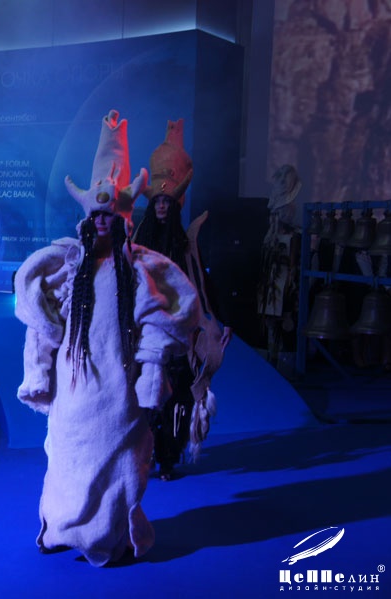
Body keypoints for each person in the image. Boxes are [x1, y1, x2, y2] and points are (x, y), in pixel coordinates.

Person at [14, 110, 201, 566]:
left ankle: (109, 536)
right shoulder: (68, 266)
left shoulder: (139, 269)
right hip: (73, 389)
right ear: (87, 218)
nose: (102, 222)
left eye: (109, 216)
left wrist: (150, 378)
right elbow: (42, 325)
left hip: (118, 390)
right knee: (66, 458)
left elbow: (157, 324)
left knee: (119, 464)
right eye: (96, 215)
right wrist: (40, 373)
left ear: (122, 219)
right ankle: (61, 527)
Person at [132, 119, 232, 480]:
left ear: (174, 205)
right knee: (146, 395)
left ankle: (168, 457)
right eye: (157, 201)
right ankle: (145, 453)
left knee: (177, 397)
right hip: (146, 332)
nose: (161, 206)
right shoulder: (139, 244)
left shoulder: (186, 244)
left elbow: (203, 282)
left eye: (167, 201)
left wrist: (221, 319)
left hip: (181, 333)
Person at [256, 164, 303, 367]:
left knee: (284, 317)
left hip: (283, 277)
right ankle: (271, 354)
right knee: (270, 318)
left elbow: (292, 260)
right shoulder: (270, 233)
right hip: (271, 276)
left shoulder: (293, 233)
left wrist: (292, 278)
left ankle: (282, 356)